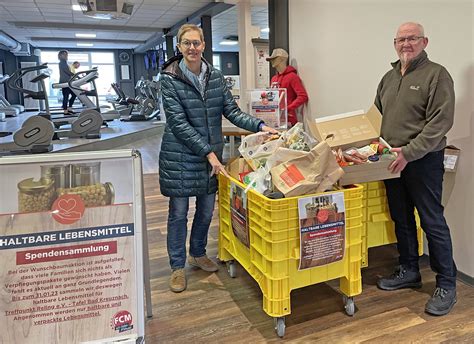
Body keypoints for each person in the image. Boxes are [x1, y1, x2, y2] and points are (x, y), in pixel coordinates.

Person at [159, 24, 277, 293]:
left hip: (209, 156)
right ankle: (177, 266)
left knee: (206, 210)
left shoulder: (215, 77)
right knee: (178, 214)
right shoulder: (169, 78)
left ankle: (198, 253)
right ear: (179, 47)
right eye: (186, 43)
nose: (192, 48)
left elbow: (232, 112)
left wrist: (260, 126)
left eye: (196, 43)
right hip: (179, 157)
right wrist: (210, 153)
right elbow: (178, 123)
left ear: (203, 46)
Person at [374, 22, 457, 316]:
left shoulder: (437, 75)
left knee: (431, 220)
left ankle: (447, 283)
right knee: (401, 217)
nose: (405, 44)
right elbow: (376, 117)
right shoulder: (388, 77)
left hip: (423, 161)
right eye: (401, 39)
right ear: (394, 43)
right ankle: (409, 269)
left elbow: (440, 122)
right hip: (391, 162)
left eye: (412, 38)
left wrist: (409, 152)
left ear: (424, 41)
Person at [266, 48, 308, 127]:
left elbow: (303, 96)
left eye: (274, 59)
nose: (272, 61)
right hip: (274, 119)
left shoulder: (292, 77)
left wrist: (288, 108)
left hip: (289, 119)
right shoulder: (274, 78)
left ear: (282, 59)